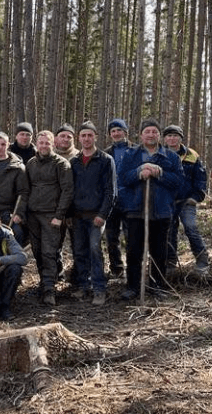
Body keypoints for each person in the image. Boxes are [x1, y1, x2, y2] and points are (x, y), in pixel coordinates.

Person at [118, 119, 184, 300]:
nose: (151, 134)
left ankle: (157, 287)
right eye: (147, 131)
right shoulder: (130, 155)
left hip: (161, 211)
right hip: (135, 210)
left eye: (154, 131)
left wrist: (160, 173)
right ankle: (133, 286)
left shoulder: (171, 157)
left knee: (159, 252)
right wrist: (139, 172)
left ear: (159, 135)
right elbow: (122, 179)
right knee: (134, 251)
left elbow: (178, 182)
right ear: (141, 135)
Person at [68, 122, 117, 305]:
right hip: (77, 215)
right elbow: (69, 190)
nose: (87, 139)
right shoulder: (74, 162)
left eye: (90, 135)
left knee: (95, 249)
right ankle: (83, 286)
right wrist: (68, 215)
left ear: (95, 137)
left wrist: (103, 214)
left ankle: (99, 289)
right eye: (83, 136)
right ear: (79, 138)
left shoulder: (105, 160)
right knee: (79, 251)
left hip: (96, 215)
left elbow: (111, 191)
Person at [25, 130, 73, 305]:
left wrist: (59, 215)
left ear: (53, 144)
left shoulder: (61, 164)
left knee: (49, 253)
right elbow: (26, 189)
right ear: (37, 144)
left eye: (47, 143)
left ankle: (49, 291)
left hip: (51, 216)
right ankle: (43, 283)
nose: (44, 146)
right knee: (37, 252)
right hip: (33, 216)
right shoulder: (31, 163)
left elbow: (67, 191)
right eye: (41, 143)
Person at [162, 124, 210, 276]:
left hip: (186, 201)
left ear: (180, 138)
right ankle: (170, 263)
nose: (172, 138)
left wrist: (196, 197)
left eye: (175, 135)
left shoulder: (191, 155)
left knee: (190, 227)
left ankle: (202, 260)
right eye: (169, 136)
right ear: (165, 138)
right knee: (169, 231)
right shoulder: (159, 154)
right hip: (166, 202)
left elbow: (201, 178)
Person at [103, 119, 133, 279]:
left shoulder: (136, 150)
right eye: (113, 131)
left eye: (119, 130)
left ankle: (133, 268)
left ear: (125, 132)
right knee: (111, 237)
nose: (116, 133)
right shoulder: (106, 153)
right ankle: (117, 268)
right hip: (112, 202)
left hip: (131, 201)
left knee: (131, 237)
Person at [53, 123, 80, 281]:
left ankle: (77, 275)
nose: (65, 139)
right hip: (55, 208)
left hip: (76, 210)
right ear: (56, 138)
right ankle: (58, 274)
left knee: (77, 245)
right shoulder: (50, 155)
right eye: (62, 136)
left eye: (69, 136)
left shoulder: (78, 156)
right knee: (56, 244)